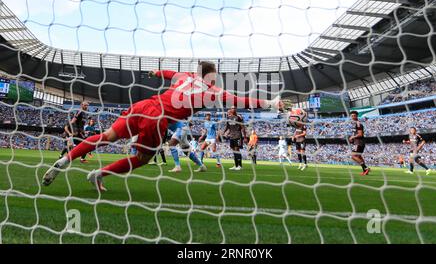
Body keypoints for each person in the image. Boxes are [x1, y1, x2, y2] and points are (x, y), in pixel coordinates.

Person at [42, 61, 282, 191]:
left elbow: (168, 72)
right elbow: (241, 101)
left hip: (143, 105)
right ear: (212, 77)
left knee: (106, 135)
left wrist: (155, 72)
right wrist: (270, 102)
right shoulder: (212, 91)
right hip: (156, 119)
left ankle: (66, 160)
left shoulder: (184, 77)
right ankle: (99, 174)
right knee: (142, 158)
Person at [223, 106, 246, 171]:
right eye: (232, 108)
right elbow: (227, 127)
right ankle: (236, 165)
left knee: (237, 151)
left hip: (238, 136)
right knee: (234, 151)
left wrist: (245, 137)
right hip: (231, 136)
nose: (233, 109)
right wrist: (223, 133)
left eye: (235, 108)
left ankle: (240, 166)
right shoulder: (228, 118)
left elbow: (243, 127)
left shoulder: (238, 117)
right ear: (230, 109)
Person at [349, 111, 370, 176]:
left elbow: (360, 134)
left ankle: (366, 168)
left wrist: (353, 137)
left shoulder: (358, 124)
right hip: (358, 142)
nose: (353, 117)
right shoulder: (355, 124)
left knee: (353, 156)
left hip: (359, 142)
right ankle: (365, 170)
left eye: (354, 116)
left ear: (357, 116)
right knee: (359, 156)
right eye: (352, 116)